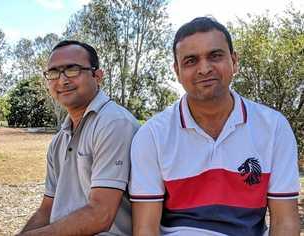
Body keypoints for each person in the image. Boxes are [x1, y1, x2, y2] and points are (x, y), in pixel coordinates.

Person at [129, 17, 300, 236]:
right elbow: (145, 229)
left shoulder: (274, 127)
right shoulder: (152, 135)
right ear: (177, 71)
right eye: (191, 61)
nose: (204, 68)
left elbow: (285, 223)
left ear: (234, 61)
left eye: (215, 56)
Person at [18, 40, 139, 235]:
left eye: (72, 69)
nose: (62, 80)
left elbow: (100, 215)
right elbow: (46, 209)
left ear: (97, 76)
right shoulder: (59, 140)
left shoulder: (113, 123)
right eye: (54, 72)